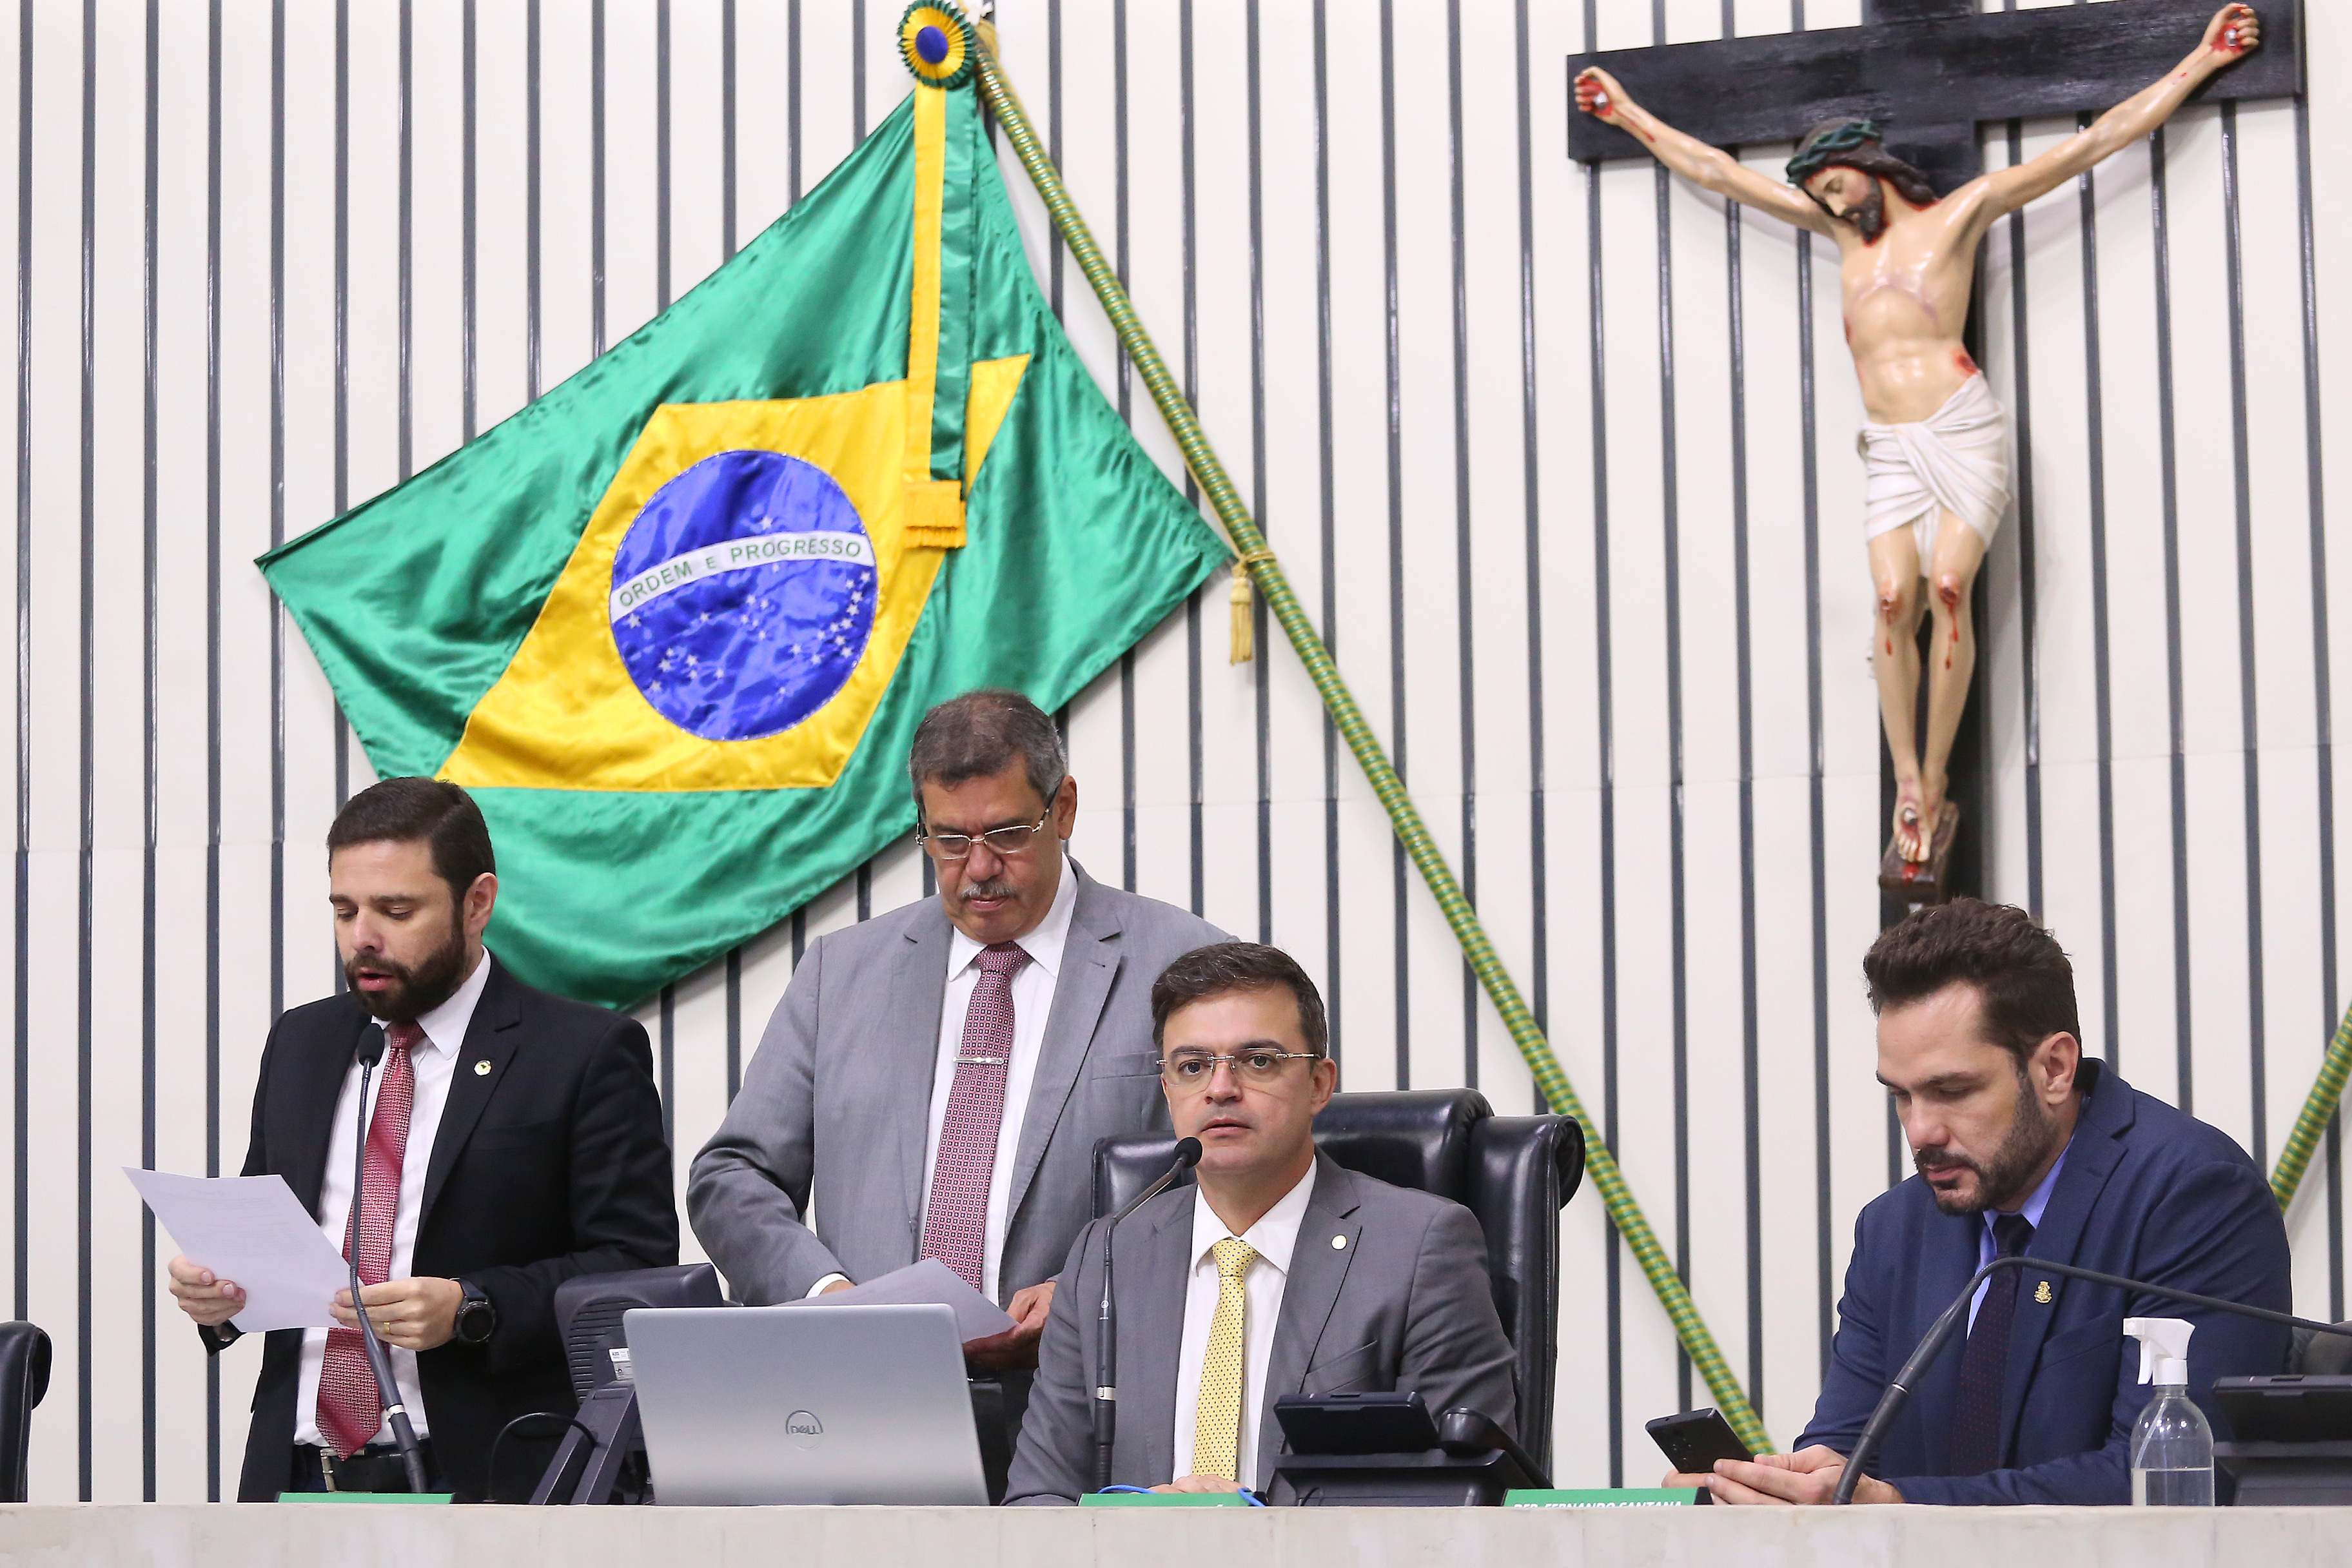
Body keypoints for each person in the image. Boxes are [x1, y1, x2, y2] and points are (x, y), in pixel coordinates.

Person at [1576, 4, 2260, 868]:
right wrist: (1628, 114)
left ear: (1869, 165)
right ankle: (1908, 778)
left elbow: (2094, 144)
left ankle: (1937, 777)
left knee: (1946, 587)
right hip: (1892, 443)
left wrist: (2201, 61)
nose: (1829, 201)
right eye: (1819, 194)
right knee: (1894, 599)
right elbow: (1718, 172)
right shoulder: (1837, 234)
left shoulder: (1962, 214)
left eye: (1835, 184)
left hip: (1961, 425)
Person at [689, 688, 1229, 1484]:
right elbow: (732, 1176)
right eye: (949, 840)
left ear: (1063, 808)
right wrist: (827, 1292)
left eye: (1006, 833)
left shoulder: (1184, 964)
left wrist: (1089, 1290)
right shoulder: (842, 973)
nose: (978, 868)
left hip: (1091, 1411)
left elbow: (1236, 1177)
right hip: (866, 1412)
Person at [1671, 899, 2290, 1505]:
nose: (1921, 1132)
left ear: (2054, 1068)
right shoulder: (1893, 1229)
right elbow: (1848, 1454)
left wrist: (1897, 1506)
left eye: (1951, 1091)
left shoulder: (2191, 1194)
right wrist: (1777, 1494)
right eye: (1901, 1096)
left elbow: (2167, 1476)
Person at [166, 778, 676, 1501]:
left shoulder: (582, 1052)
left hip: (486, 1474)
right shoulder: (303, 1042)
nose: (363, 937)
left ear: (477, 903)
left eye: (396, 910)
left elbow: (634, 1266)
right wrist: (221, 1295)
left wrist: (473, 1306)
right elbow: (269, 1228)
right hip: (300, 1473)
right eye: (345, 910)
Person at [1004, 941, 1516, 1503]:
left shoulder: (1420, 1248)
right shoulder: (1106, 1255)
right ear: (1167, 1089)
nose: (1221, 1089)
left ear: (1319, 1084)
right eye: (1193, 1067)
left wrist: (1255, 1535)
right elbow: (1040, 1497)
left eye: (1258, 1061)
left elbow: (1459, 1497)